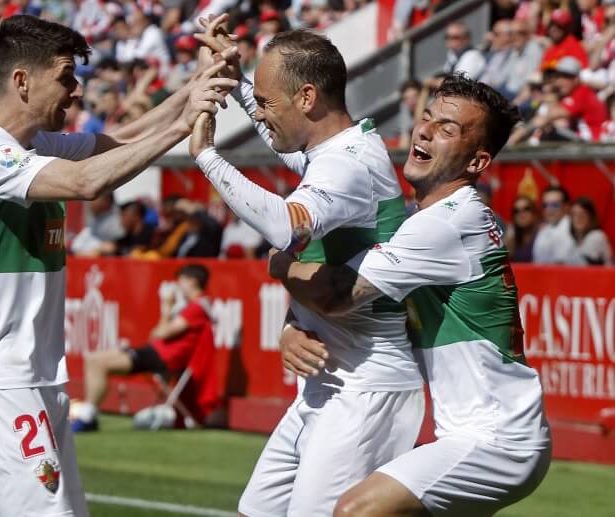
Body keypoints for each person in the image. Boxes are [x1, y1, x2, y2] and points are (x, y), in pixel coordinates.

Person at [0, 15, 236, 517]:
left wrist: (198, 83)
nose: (76, 92)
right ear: (22, 81)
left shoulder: (29, 146)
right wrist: (186, 125)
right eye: (66, 78)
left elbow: (118, 140)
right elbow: (84, 183)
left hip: (31, 379)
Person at [269, 74, 551, 517]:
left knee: (356, 511)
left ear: (477, 163)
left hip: (498, 439)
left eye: (448, 129)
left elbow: (339, 294)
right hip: (471, 432)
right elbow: (361, 301)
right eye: (427, 118)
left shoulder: (445, 224)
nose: (425, 131)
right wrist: (293, 325)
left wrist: (279, 261)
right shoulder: (426, 222)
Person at [192, 22, 424, 516]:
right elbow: (278, 128)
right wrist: (239, 85)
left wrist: (207, 157)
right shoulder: (336, 151)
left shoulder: (347, 165)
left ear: (308, 97)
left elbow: (284, 227)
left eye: (269, 103)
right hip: (330, 380)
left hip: (365, 389)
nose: (261, 115)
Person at [79, 264, 219, 430]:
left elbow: (161, 333)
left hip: (164, 358)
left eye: (180, 281)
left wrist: (166, 308)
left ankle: (87, 417)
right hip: (158, 352)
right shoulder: (194, 306)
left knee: (98, 362)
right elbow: (157, 334)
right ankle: (88, 413)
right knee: (93, 358)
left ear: (192, 281)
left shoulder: (197, 307)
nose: (177, 286)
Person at [533, 185, 576, 263]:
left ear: (566, 206)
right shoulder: (543, 230)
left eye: (554, 205)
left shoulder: (575, 228)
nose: (549, 209)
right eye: (545, 205)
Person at [566, 197, 612, 265]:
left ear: (591, 217)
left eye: (582, 214)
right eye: (574, 214)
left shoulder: (596, 236)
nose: (578, 218)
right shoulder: (573, 239)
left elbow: (583, 266)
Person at [505, 195, 541, 262]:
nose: (521, 214)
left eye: (526, 209)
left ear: (534, 212)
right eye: (516, 211)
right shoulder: (512, 236)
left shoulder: (542, 234)